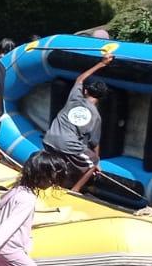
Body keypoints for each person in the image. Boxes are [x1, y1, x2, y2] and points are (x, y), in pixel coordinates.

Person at [42, 50, 113, 191]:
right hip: (67, 145)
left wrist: (101, 63)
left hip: (49, 139)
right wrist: (96, 160)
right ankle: (74, 192)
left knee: (64, 160)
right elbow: (95, 143)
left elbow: (80, 79)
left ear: (85, 91)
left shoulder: (74, 98)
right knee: (92, 163)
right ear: (101, 98)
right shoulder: (96, 117)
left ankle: (50, 181)